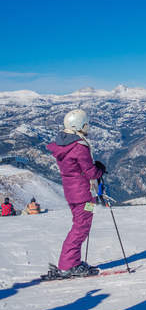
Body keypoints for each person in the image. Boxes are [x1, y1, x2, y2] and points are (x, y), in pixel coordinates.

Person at [46, 109, 105, 278]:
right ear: (78, 126)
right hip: (83, 194)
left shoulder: (63, 145)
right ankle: (68, 265)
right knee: (80, 228)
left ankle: (73, 262)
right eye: (86, 124)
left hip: (71, 192)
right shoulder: (79, 147)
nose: (88, 127)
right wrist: (100, 170)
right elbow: (91, 173)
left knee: (79, 226)